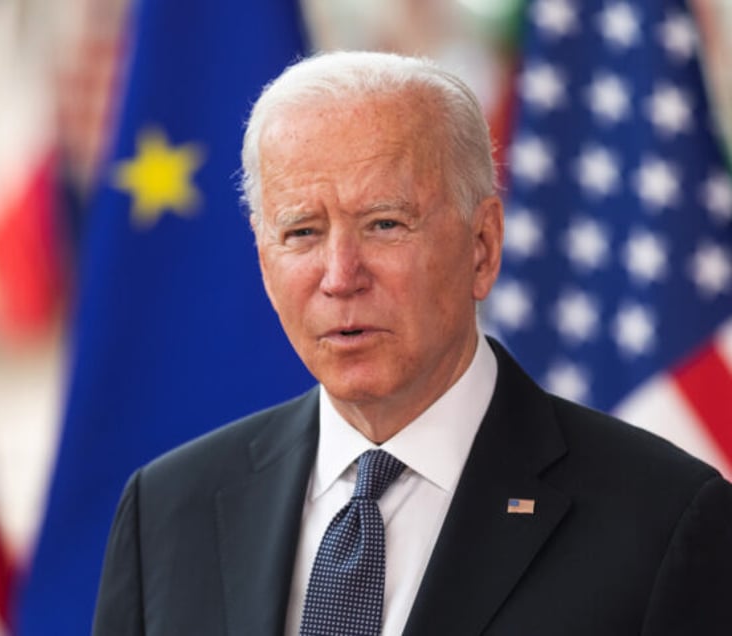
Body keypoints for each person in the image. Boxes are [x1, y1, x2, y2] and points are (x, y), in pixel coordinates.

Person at [92, 51, 732, 635]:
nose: (341, 276)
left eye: (385, 224)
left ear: (482, 247)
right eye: (303, 233)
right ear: (263, 260)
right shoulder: (167, 511)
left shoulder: (664, 522)